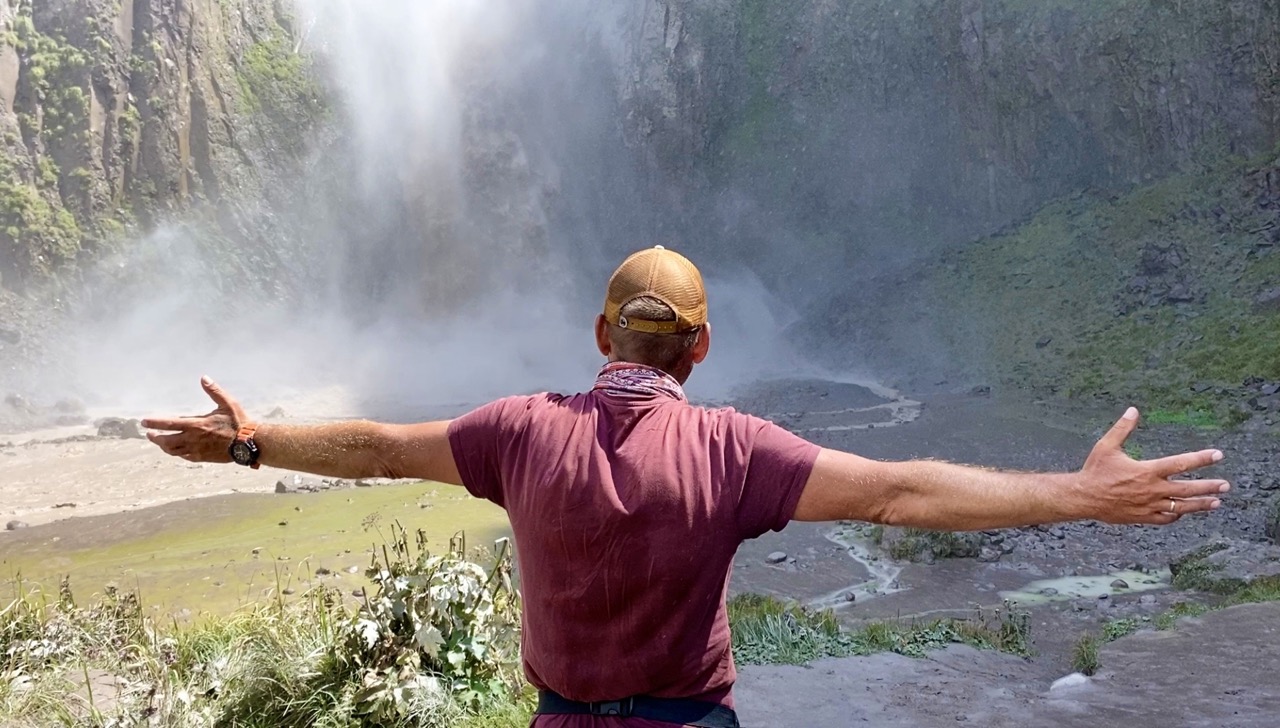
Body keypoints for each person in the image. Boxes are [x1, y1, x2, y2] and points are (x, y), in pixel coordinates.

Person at [143, 246, 1229, 728]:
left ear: (598, 334)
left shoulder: (516, 433)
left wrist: (252, 443)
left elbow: (378, 445)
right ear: (701, 347)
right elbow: (900, 492)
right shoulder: (730, 449)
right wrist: (1081, 494)